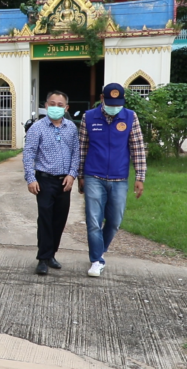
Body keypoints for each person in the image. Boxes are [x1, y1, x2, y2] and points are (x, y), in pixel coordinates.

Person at [78, 83, 146, 277]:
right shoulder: (89, 117)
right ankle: (96, 260)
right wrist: (80, 175)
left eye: (118, 104)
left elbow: (137, 148)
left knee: (115, 221)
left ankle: (100, 250)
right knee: (93, 221)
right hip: (94, 176)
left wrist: (140, 176)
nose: (114, 108)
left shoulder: (130, 117)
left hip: (119, 177)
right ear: (102, 99)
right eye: (110, 103)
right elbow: (82, 148)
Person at [22, 91, 79, 275]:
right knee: (45, 219)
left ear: (66, 108)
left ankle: (51, 254)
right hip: (44, 181)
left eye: (60, 105)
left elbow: (76, 153)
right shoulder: (37, 128)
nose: (56, 107)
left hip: (65, 182)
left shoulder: (71, 128)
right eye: (52, 104)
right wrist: (31, 178)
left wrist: (72, 175)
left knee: (59, 220)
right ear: (46, 106)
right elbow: (28, 154)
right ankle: (42, 258)